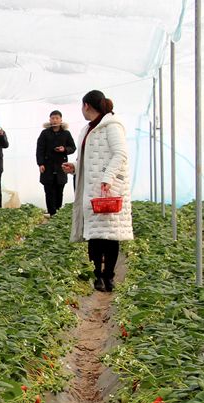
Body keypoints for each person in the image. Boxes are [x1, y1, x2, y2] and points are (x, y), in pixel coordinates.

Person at [62, 90, 132, 293]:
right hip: (92, 189)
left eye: (82, 106)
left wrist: (107, 178)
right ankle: (97, 276)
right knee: (94, 234)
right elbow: (89, 159)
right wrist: (75, 167)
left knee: (110, 234)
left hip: (109, 188)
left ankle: (108, 277)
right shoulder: (88, 129)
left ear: (86, 105)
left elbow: (120, 154)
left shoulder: (112, 126)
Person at [36, 110, 77, 216]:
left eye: (57, 118)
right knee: (49, 191)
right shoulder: (45, 133)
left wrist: (64, 149)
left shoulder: (66, 133)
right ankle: (51, 213)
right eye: (52, 118)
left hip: (61, 166)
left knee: (59, 190)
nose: (54, 120)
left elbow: (73, 147)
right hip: (47, 166)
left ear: (61, 120)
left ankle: (57, 212)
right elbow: (40, 149)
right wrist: (41, 164)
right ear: (49, 120)